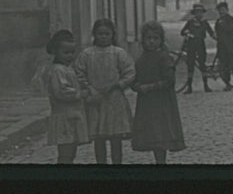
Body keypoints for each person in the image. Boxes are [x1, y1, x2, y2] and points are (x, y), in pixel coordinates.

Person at [74, 18, 135, 165]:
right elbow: (79, 73)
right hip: (96, 100)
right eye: (100, 33)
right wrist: (89, 88)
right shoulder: (87, 54)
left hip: (115, 99)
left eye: (107, 34)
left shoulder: (118, 53)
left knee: (115, 136)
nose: (103, 37)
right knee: (99, 136)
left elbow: (130, 72)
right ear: (94, 34)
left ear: (112, 35)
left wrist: (118, 85)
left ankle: (117, 163)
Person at [131, 20, 185, 164]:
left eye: (155, 38)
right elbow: (134, 79)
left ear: (161, 40)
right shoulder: (141, 60)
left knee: (161, 131)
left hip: (161, 102)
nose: (151, 42)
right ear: (143, 40)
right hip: (147, 103)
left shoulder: (164, 57)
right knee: (151, 132)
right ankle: (158, 159)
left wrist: (149, 87)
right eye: (148, 38)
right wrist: (136, 86)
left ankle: (161, 161)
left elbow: (169, 81)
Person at [43, 29, 89, 165]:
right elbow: (62, 91)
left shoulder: (67, 68)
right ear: (56, 51)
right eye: (66, 53)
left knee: (71, 151)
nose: (70, 56)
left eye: (72, 52)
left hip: (71, 116)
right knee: (65, 152)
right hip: (64, 117)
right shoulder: (57, 70)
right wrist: (80, 94)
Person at [179, 3, 215, 93]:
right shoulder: (190, 22)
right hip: (191, 46)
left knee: (202, 65)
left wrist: (218, 38)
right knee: (190, 66)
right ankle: (189, 87)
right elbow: (182, 32)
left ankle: (206, 86)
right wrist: (187, 32)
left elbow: (211, 33)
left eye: (200, 12)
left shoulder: (204, 23)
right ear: (194, 13)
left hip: (200, 45)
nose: (199, 14)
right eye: (197, 12)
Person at [214, 1, 233, 89]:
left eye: (223, 10)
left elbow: (230, 29)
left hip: (231, 46)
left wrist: (222, 24)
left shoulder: (230, 19)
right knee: (224, 66)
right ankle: (227, 84)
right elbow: (217, 32)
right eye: (219, 10)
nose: (221, 12)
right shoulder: (218, 21)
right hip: (222, 46)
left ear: (227, 10)